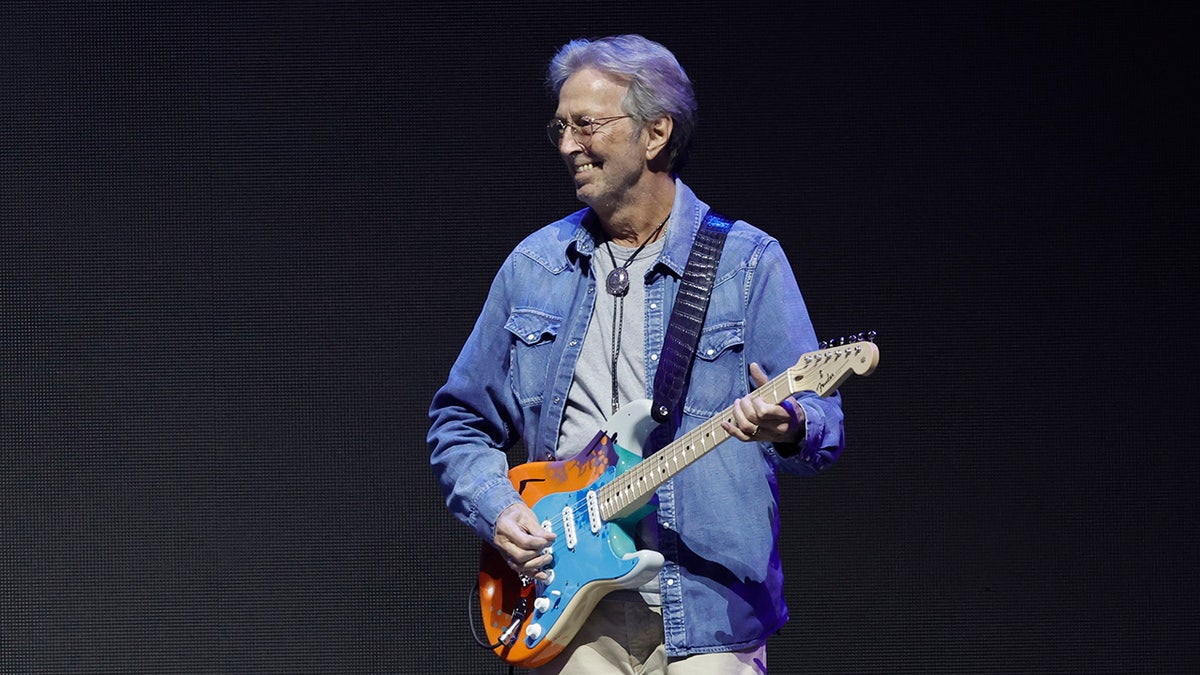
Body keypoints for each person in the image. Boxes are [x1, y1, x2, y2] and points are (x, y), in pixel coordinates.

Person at [428, 34, 845, 674]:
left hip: (710, 610)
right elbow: (459, 422)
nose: (568, 145)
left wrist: (791, 425)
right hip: (569, 605)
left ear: (655, 134)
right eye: (560, 126)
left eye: (587, 125)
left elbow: (824, 425)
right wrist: (499, 508)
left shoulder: (747, 263)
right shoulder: (534, 267)